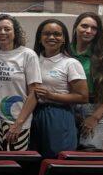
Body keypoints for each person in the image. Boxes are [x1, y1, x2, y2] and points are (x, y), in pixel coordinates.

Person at [0, 14, 40, 151]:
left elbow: (34, 93)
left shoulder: (28, 55)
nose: (2, 32)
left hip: (16, 117)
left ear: (16, 32)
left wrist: (19, 123)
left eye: (7, 29)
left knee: (15, 159)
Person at [30, 19, 88, 158]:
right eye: (47, 34)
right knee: (33, 157)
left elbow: (83, 97)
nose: (51, 37)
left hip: (58, 114)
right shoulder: (32, 59)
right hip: (32, 112)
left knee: (56, 157)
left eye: (57, 34)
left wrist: (51, 95)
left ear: (64, 39)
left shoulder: (70, 63)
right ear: (39, 38)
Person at [72, 13, 103, 152]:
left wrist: (95, 117)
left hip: (95, 108)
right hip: (68, 109)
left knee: (88, 153)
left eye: (94, 28)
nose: (88, 31)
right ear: (76, 27)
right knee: (67, 152)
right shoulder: (65, 53)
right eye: (84, 26)